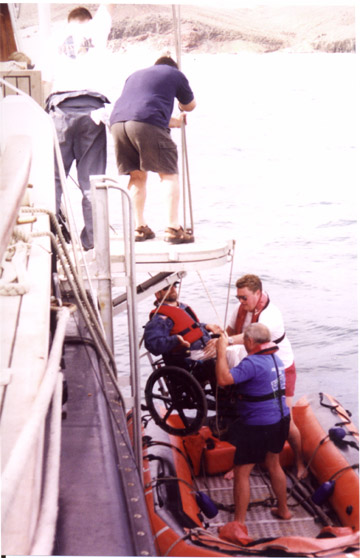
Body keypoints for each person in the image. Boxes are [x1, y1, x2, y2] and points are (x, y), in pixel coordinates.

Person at [223, 274, 306, 479]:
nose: (241, 302)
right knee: (244, 414)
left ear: (258, 293)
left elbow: (247, 338)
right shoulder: (241, 308)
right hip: (255, 367)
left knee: (286, 419)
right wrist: (218, 340)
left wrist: (223, 342)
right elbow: (230, 331)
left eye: (245, 298)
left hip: (280, 367)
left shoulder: (271, 315)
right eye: (239, 298)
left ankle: (300, 462)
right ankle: (243, 462)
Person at [45, 4, 113, 251]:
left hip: (60, 109)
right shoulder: (97, 28)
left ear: (69, 21)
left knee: (52, 180)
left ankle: (49, 238)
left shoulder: (53, 38)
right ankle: (92, 242)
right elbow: (108, 5)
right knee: (91, 182)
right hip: (92, 112)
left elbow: (46, 80)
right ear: (88, 19)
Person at [110, 56, 196, 244]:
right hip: (145, 123)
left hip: (117, 124)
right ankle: (173, 228)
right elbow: (190, 105)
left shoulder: (135, 75)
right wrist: (181, 104)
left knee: (137, 176)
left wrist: (175, 123)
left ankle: (139, 228)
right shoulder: (175, 74)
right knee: (168, 175)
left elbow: (139, 113)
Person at [216, 323, 292, 526]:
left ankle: (238, 524)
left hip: (259, 425)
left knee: (241, 471)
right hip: (282, 419)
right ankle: (284, 510)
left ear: (249, 341)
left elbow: (223, 379)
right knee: (273, 463)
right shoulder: (276, 359)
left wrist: (221, 350)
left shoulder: (251, 363)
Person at [143, 282, 222, 389]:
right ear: (157, 294)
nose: (172, 289)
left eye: (174, 285)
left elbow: (191, 327)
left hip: (205, 348)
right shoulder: (160, 318)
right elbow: (153, 345)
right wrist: (176, 339)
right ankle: (224, 398)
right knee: (222, 361)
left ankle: (237, 394)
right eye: (167, 287)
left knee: (238, 352)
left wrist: (207, 326)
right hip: (187, 357)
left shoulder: (183, 308)